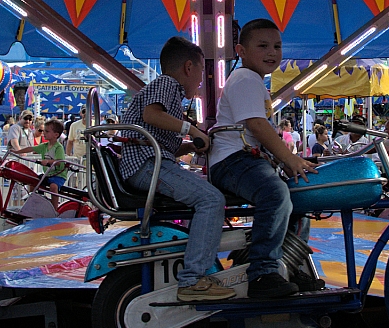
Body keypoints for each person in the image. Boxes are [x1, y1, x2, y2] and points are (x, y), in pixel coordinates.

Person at [209, 19, 319, 299]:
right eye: (263, 46)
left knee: (299, 196)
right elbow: (257, 125)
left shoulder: (253, 80)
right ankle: (263, 272)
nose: (272, 52)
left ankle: (289, 265)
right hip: (233, 160)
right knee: (275, 193)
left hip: (243, 160)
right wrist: (288, 159)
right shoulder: (245, 78)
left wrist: (283, 160)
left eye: (277, 46)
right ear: (241, 50)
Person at [119, 36, 234, 302]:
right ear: (188, 67)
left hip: (150, 161)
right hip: (147, 165)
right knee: (211, 199)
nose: (200, 83)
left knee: (207, 195)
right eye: (201, 75)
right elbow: (151, 115)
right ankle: (193, 279)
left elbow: (160, 141)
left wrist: (193, 146)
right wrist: (191, 129)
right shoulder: (167, 84)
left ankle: (196, 261)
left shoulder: (164, 90)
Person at [13, 118, 68, 210]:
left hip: (58, 175)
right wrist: (17, 152)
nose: (44, 133)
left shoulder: (59, 147)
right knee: (32, 181)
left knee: (53, 187)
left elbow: (59, 161)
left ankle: (55, 209)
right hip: (48, 174)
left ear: (56, 135)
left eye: (47, 131)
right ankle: (35, 204)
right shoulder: (44, 146)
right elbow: (31, 148)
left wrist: (48, 162)